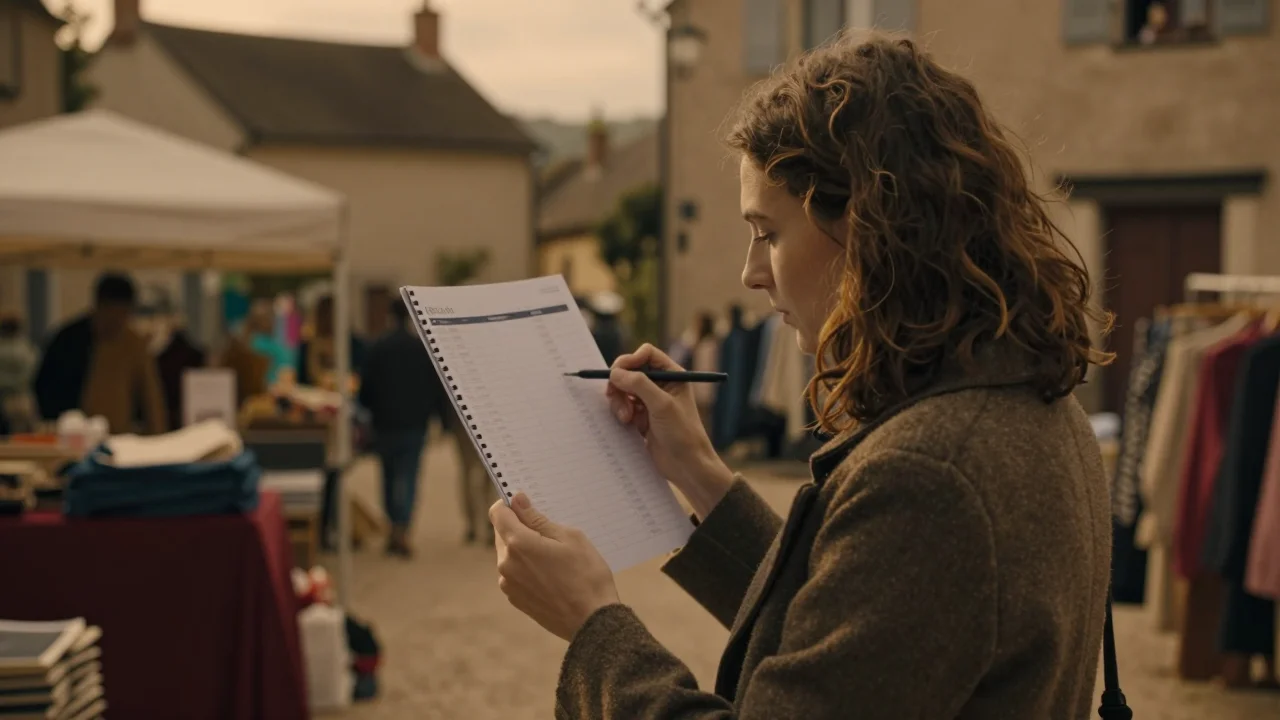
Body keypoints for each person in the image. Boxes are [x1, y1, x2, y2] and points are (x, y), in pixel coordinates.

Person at [487, 32, 1115, 718]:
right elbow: (857, 633)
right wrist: (698, 470)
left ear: (872, 228)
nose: (751, 273)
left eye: (769, 233)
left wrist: (592, 623)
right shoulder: (1027, 400)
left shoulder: (930, 474)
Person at [359, 300, 446, 557]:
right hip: (414, 423)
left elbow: (366, 387)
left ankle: (393, 524)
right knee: (409, 476)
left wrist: (369, 410)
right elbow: (435, 385)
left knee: (387, 476)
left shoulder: (378, 347)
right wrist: (439, 417)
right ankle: (403, 526)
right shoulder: (421, 348)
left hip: (385, 422)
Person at [33, 273, 165, 435]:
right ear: (98, 307)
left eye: (123, 315)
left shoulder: (134, 345)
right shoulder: (69, 340)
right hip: (74, 435)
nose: (116, 322)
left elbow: (151, 399)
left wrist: (158, 437)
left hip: (119, 436)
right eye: (111, 314)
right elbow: (45, 386)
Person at [0, 314, 37, 434]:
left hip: (6, 398)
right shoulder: (25, 349)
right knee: (25, 435)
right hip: (22, 396)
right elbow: (32, 372)